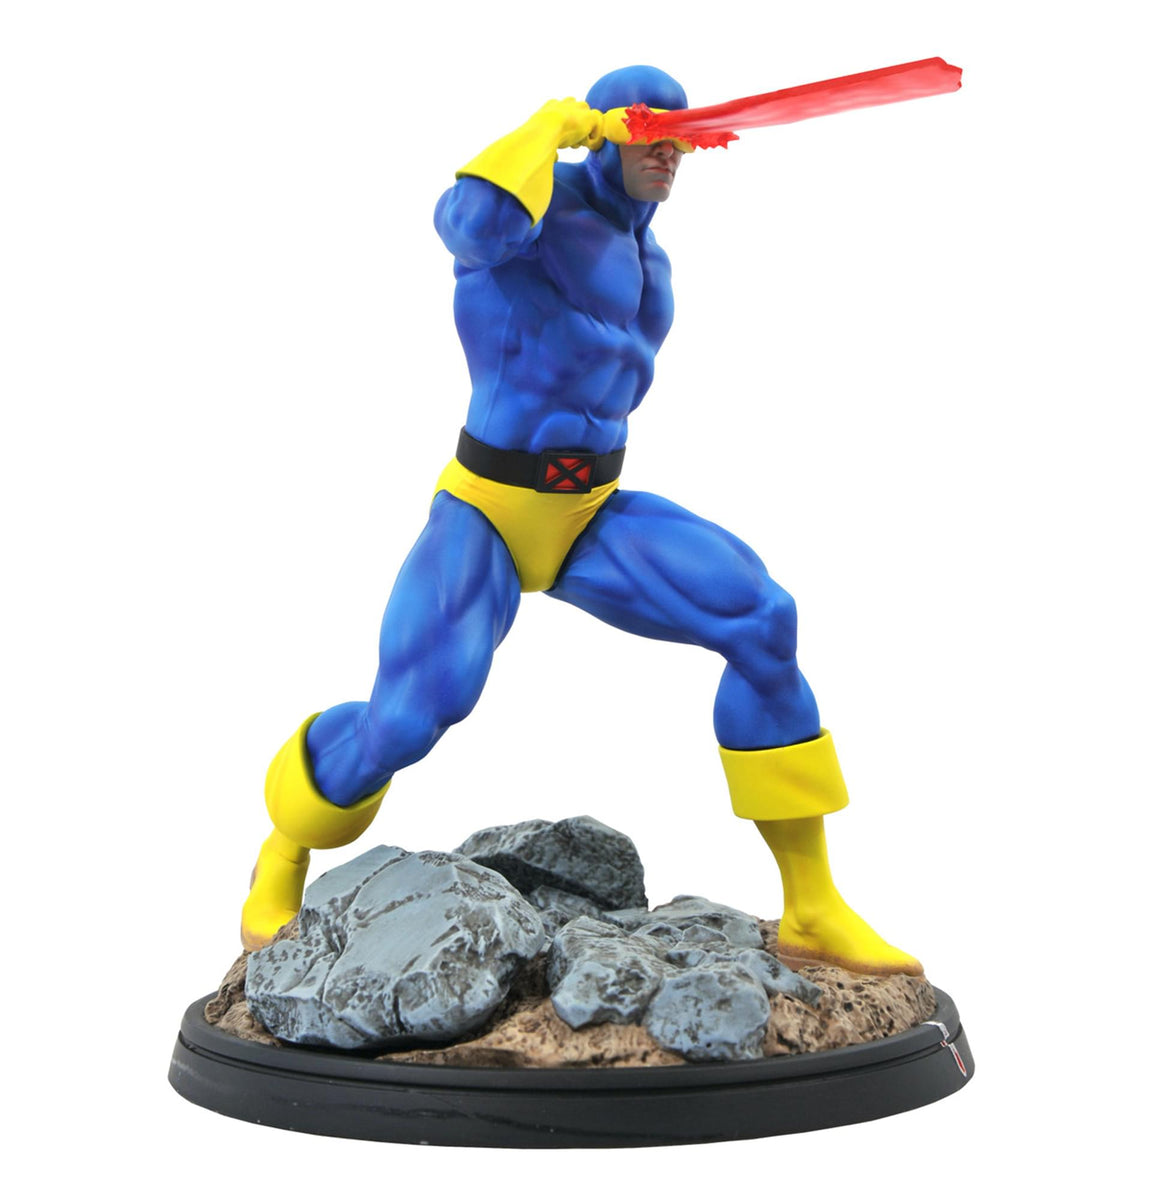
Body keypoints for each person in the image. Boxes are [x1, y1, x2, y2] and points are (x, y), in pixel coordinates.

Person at [240, 65, 920, 975]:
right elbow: (467, 223)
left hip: (591, 512)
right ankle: (283, 848)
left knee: (763, 620)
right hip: (487, 509)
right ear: (606, 134)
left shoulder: (652, 261)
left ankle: (812, 907)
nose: (669, 154)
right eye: (649, 135)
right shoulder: (536, 216)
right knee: (408, 718)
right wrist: (546, 128)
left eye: (681, 138)